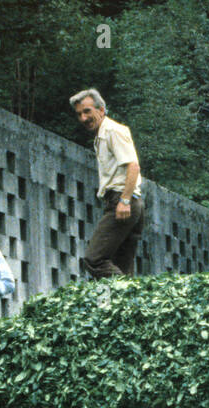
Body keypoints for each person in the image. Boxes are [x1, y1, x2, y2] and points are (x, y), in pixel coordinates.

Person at [69, 88, 145, 278]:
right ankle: (124, 304)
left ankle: (129, 294)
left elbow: (133, 166)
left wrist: (124, 200)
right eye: (79, 114)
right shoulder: (101, 136)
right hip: (126, 201)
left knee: (94, 259)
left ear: (101, 110)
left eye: (87, 111)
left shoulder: (112, 130)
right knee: (121, 266)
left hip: (123, 201)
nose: (83, 118)